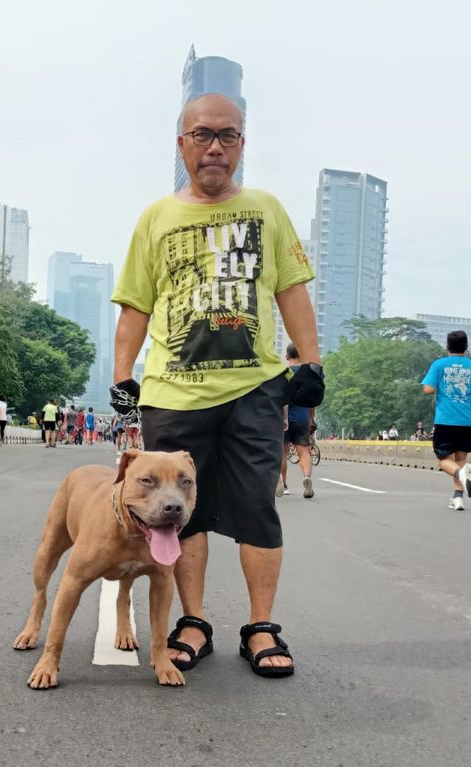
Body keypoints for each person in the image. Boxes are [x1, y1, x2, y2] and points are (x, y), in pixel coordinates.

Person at [110, 92, 322, 678]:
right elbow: (134, 307)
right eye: (202, 135)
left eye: (227, 136)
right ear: (181, 145)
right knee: (182, 514)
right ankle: (194, 621)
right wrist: (121, 378)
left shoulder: (266, 209)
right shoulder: (156, 218)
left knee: (257, 507)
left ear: (242, 146)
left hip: (254, 388)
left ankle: (260, 627)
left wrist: (311, 363)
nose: (214, 146)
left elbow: (292, 291)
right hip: (172, 393)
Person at [421, 330, 471, 511]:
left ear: (447, 346)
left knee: (444, 460)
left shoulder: (439, 365)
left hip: (446, 420)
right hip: (470, 422)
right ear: (466, 347)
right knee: (461, 459)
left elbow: (428, 389)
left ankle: (460, 476)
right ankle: (458, 498)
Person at [278, 343, 316, 499]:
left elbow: (280, 399)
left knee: (282, 453)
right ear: (301, 355)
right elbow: (312, 401)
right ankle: (306, 476)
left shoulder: (283, 373)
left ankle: (283, 483)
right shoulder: (308, 374)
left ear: (287, 357)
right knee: (304, 452)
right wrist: (311, 419)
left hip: (283, 419)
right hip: (302, 418)